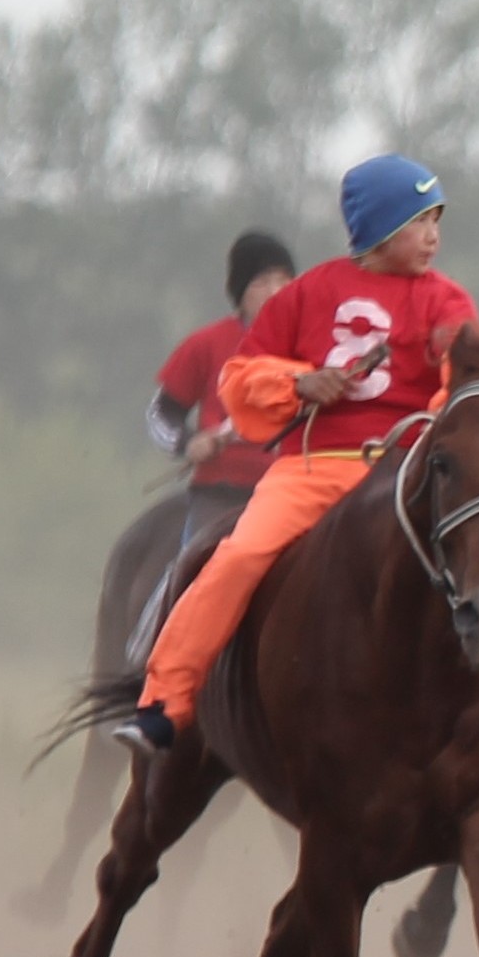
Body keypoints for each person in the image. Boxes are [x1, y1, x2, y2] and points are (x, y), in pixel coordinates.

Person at [118, 155, 479, 792]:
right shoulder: (304, 294)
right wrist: (299, 381)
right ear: (376, 228)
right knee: (237, 557)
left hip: (408, 469)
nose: (433, 236)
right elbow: (241, 379)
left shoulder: (446, 298)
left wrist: (458, 365)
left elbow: (465, 375)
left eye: (436, 221)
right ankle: (162, 706)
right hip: (314, 468)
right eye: (419, 221)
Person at [133, 231, 297, 655]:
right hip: (219, 494)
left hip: (292, 492)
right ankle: (154, 648)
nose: (275, 292)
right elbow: (160, 414)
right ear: (240, 293)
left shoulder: (307, 347)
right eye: (262, 283)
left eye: (283, 281)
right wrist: (189, 443)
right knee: (191, 567)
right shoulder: (206, 345)